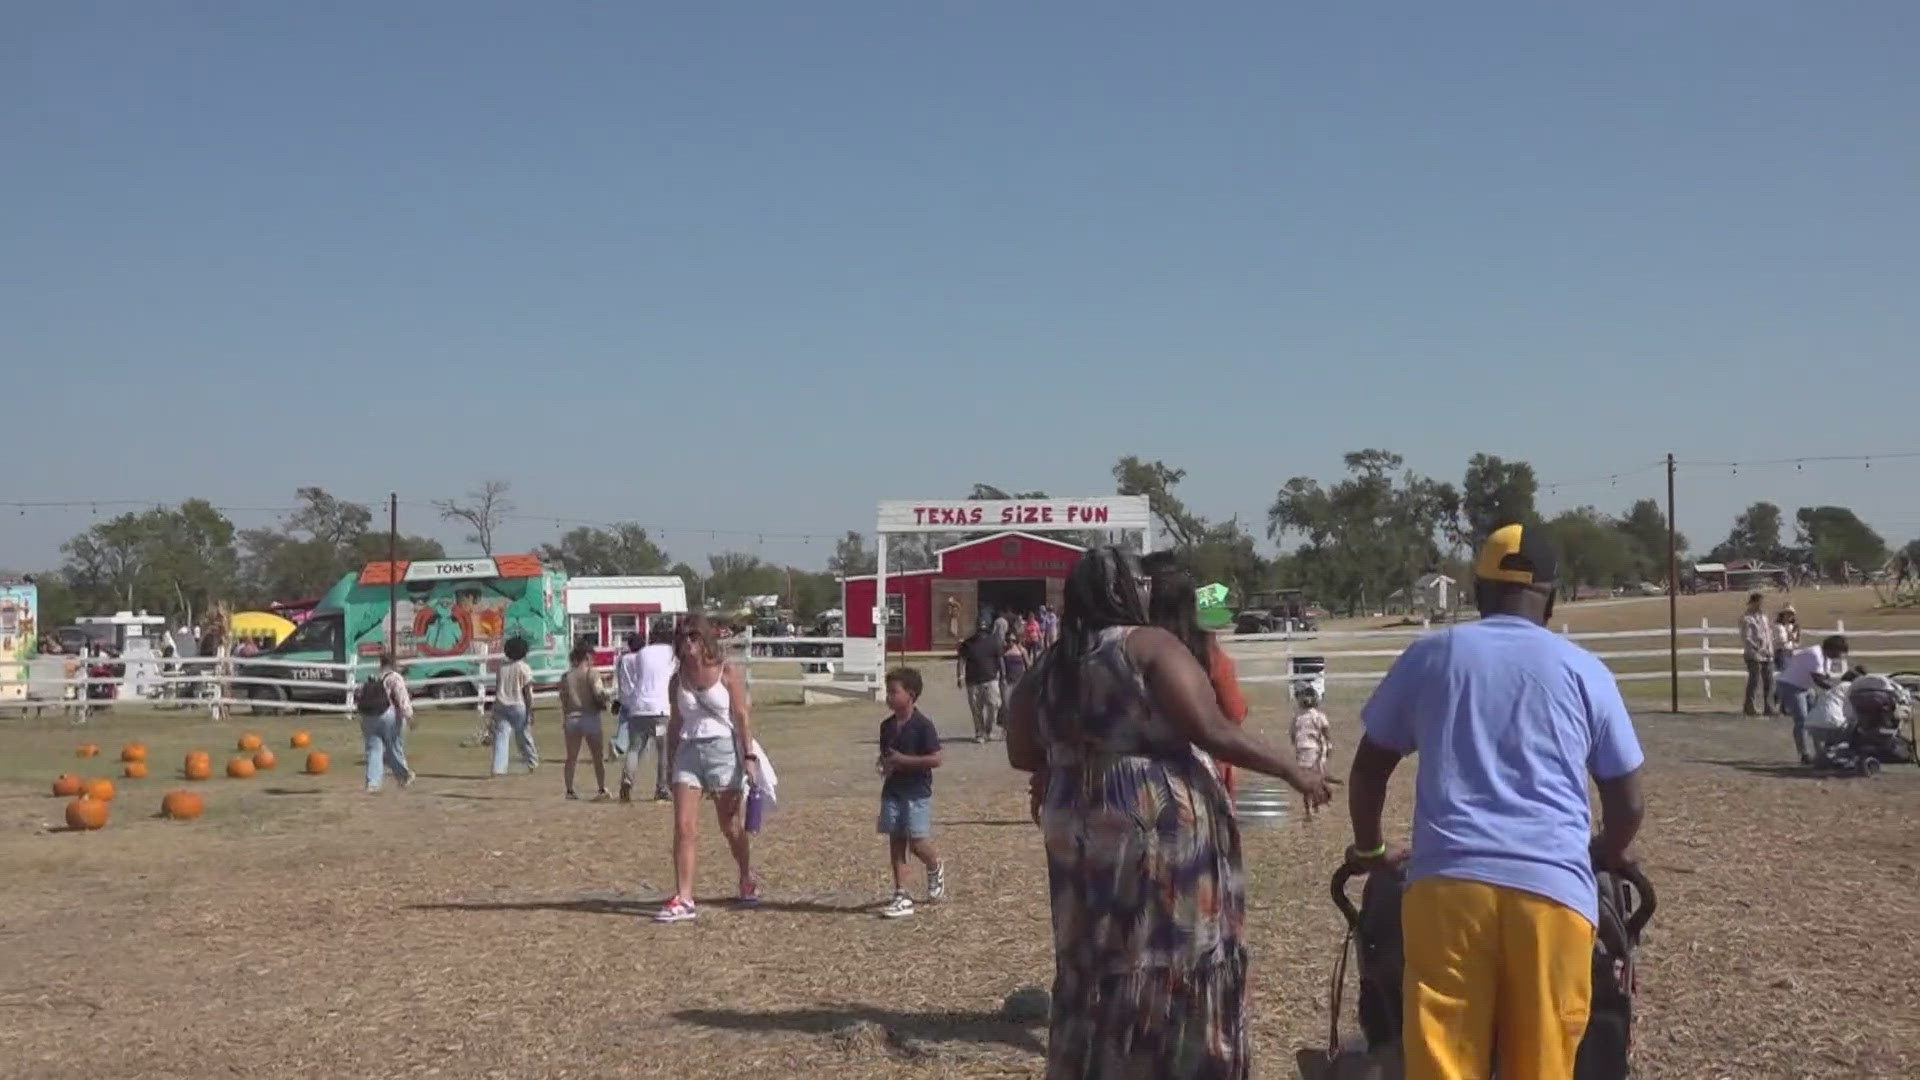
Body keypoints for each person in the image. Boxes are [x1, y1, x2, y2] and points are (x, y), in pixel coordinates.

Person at [1004, 546, 1334, 1077]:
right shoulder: (1147, 645)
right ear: (1125, 592)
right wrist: (1292, 770)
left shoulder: (1050, 662)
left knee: (1098, 959)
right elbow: (1213, 728)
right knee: (1172, 957)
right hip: (1154, 820)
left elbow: (1021, 752)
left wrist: (1077, 756)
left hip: (1077, 824)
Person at [1345, 523, 1646, 1080]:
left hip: (1447, 893)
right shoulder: (1585, 671)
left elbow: (1368, 771)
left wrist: (1371, 849)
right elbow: (1627, 801)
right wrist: (1602, 850)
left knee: (1443, 1065)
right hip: (1553, 899)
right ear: (1550, 598)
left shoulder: (1432, 656)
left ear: (1479, 592)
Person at [655, 614, 759, 923]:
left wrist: (749, 756)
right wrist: (670, 759)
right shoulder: (678, 678)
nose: (687, 642)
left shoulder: (727, 671)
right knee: (684, 827)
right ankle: (684, 897)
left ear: (705, 639)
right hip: (689, 751)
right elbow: (676, 721)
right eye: (683, 637)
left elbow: (741, 716)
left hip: (723, 751)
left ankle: (746, 875)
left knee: (730, 826)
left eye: (693, 636)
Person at [1142, 551, 1247, 798]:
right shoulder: (1206, 651)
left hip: (1137, 784)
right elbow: (1234, 712)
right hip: (1200, 781)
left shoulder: (1123, 647)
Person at [875, 667, 946, 919]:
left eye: (895, 692)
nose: (889, 697)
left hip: (917, 792)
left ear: (911, 695)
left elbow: (936, 759)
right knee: (896, 840)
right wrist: (885, 765)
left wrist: (905, 760)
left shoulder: (923, 726)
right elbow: (887, 756)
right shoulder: (886, 727)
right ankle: (901, 894)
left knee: (917, 842)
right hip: (893, 790)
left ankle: (934, 865)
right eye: (888, 692)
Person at [616, 629, 675, 802]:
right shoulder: (671, 654)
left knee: (634, 748)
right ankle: (661, 787)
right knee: (662, 749)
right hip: (659, 712)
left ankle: (627, 780)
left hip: (638, 710)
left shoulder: (642, 653)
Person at [1778, 633, 1850, 765]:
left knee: (1816, 718)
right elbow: (1819, 680)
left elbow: (1825, 677)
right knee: (1802, 720)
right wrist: (1839, 689)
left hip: (1806, 687)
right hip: (1792, 685)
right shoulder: (1815, 654)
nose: (1840, 657)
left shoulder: (1826, 658)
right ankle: (1804, 754)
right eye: (1840, 652)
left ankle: (1820, 752)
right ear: (1832, 649)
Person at [358, 652, 417, 793]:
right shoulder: (394, 678)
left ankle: (373, 783)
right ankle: (403, 776)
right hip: (388, 715)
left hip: (368, 717)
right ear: (394, 663)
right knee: (394, 747)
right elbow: (402, 698)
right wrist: (409, 716)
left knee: (374, 749)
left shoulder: (374, 677)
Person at [559, 642, 611, 800]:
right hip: (590, 717)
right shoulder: (592, 674)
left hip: (572, 718)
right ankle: (601, 788)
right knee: (597, 757)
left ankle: (569, 790)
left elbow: (563, 699)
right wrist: (607, 698)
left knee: (571, 757)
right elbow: (598, 692)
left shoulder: (566, 677)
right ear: (587, 657)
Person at [491, 636, 539, 776]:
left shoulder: (502, 668)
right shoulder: (524, 668)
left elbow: (498, 687)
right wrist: (530, 710)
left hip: (501, 704)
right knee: (523, 735)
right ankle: (532, 761)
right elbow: (527, 691)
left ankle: (498, 768)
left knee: (501, 737)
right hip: (518, 705)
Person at [956, 624, 1003, 743]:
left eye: (983, 630)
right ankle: (979, 732)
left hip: (990, 678)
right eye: (979, 630)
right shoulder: (968, 644)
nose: (981, 633)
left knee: (994, 705)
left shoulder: (993, 642)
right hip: (973, 681)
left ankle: (989, 730)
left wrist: (1002, 675)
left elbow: (1000, 659)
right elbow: (961, 660)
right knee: (976, 709)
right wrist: (960, 676)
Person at [1290, 686, 1332, 818]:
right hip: (1314, 750)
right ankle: (1315, 805)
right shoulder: (1318, 716)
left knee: (1307, 779)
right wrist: (1329, 745)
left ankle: (1310, 808)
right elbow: (1326, 732)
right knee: (1316, 777)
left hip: (1303, 749)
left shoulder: (1298, 716)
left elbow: (1293, 734)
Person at [1740, 592, 1775, 716]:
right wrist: (1757, 647)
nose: (1762, 605)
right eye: (1760, 602)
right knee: (1754, 681)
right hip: (1753, 654)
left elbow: (1768, 635)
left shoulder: (1764, 618)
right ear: (1754, 602)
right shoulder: (1746, 618)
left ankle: (1769, 707)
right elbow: (1746, 637)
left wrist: (1770, 650)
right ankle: (1749, 706)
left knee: (1769, 681)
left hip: (1767, 654)